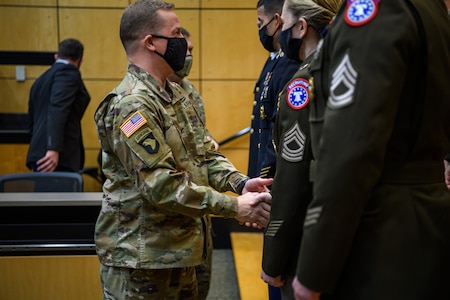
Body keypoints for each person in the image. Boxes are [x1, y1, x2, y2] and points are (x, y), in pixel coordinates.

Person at [94, 1, 273, 299]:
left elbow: (204, 154)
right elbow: (161, 186)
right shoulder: (131, 105)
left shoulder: (176, 94)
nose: (182, 42)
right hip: (142, 258)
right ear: (151, 43)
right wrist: (234, 207)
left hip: (183, 250)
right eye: (175, 33)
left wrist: (240, 183)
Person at [291, 0, 450, 299]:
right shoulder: (432, 8)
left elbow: (350, 149)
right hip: (427, 217)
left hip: (380, 230)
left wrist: (315, 266)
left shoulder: (378, 9)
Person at [259, 0, 341, 299]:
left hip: (307, 236)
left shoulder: (303, 83)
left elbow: (292, 180)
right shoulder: (346, 72)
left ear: (302, 27)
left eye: (285, 26)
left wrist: (273, 259)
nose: (280, 34)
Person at [167, 27, 217, 300]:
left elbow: (200, 141)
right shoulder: (141, 99)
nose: (189, 56)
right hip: (165, 233)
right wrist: (235, 207)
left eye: (193, 51)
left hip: (198, 219)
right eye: (186, 49)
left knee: (200, 288)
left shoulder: (190, 93)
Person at [248, 0, 301, 180]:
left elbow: (277, 127)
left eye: (261, 23)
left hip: (274, 175)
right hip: (262, 167)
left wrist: (264, 176)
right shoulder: (274, 61)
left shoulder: (290, 64)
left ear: (277, 21)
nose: (260, 29)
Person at [26, 38, 90, 172]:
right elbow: (58, 109)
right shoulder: (69, 73)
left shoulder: (40, 80)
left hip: (39, 153)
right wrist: (53, 148)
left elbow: (32, 122)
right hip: (57, 157)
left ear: (56, 56)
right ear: (80, 61)